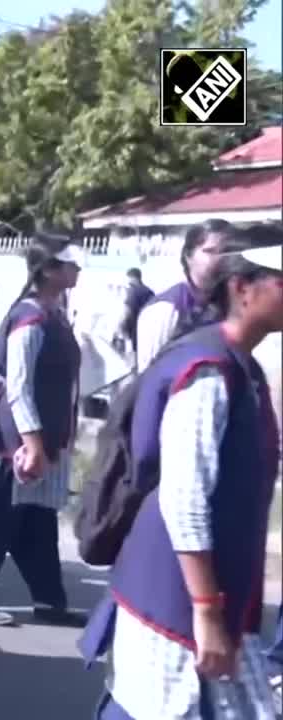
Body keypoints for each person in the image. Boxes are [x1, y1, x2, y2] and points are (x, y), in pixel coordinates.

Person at [80, 231, 281, 719]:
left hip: (201, 592)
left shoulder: (241, 367)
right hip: (177, 594)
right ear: (242, 288)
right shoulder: (208, 369)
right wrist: (207, 610)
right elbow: (185, 497)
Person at [0, 234, 86, 628]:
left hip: (46, 439)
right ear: (47, 270)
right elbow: (19, 386)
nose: (75, 270)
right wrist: (32, 442)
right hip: (19, 445)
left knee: (37, 524)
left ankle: (49, 599)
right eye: (67, 264)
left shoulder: (54, 314)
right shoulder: (29, 319)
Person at [135, 219, 231, 370]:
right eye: (209, 251)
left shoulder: (226, 304)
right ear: (188, 256)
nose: (218, 259)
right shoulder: (166, 309)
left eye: (225, 252)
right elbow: (149, 375)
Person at [117, 267, 153, 358]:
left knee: (133, 356)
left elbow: (127, 311)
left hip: (134, 330)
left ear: (133, 278)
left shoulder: (133, 292)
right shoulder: (149, 292)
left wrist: (120, 326)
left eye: (128, 278)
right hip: (148, 329)